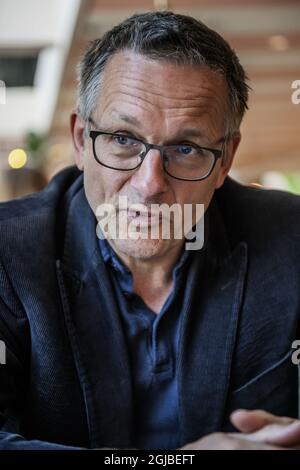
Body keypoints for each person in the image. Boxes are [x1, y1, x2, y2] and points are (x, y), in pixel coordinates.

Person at [0, 11, 299, 450]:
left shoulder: (292, 240)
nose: (150, 185)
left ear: (226, 160)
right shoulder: (8, 252)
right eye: (124, 139)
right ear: (82, 140)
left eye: (186, 148)